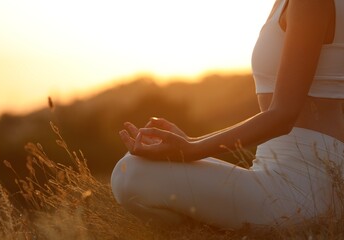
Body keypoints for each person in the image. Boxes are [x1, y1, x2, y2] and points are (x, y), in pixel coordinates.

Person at [111, 0, 344, 230]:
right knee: (138, 165)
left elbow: (283, 116)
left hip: (305, 188)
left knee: (131, 173)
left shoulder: (311, 3)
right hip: (275, 172)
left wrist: (191, 150)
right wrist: (191, 141)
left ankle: (201, 230)